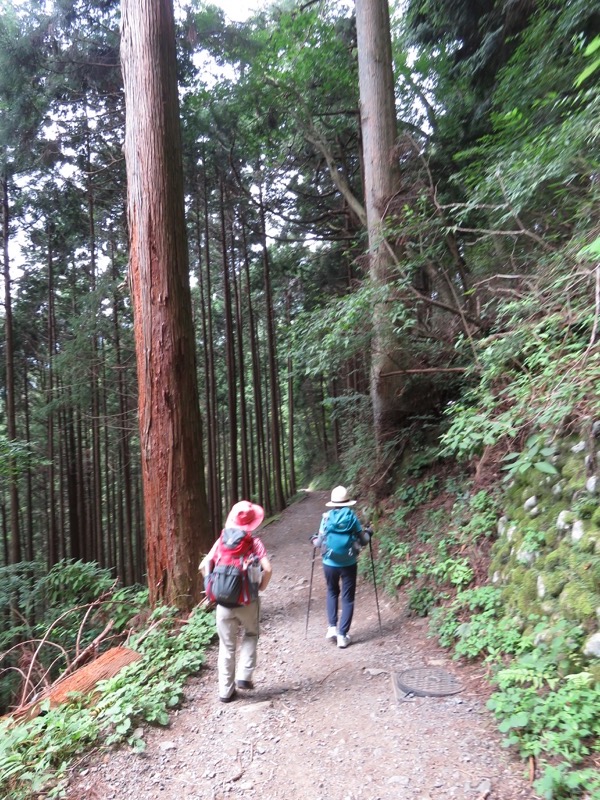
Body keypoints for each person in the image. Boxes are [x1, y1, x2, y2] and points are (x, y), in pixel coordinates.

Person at [200, 500, 272, 703]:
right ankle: (244, 676)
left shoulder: (221, 540)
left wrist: (211, 586)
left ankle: (225, 691)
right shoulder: (254, 542)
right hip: (248, 601)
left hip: (223, 602)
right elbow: (268, 569)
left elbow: (204, 565)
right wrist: (260, 587)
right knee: (251, 634)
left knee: (227, 645)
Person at [313, 486, 370, 649]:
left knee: (332, 592)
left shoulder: (326, 518)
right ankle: (342, 636)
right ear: (347, 502)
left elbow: (318, 543)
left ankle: (332, 627)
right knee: (348, 598)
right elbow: (364, 541)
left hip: (329, 562)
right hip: (349, 563)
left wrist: (313, 539)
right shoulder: (352, 518)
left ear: (333, 503)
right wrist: (369, 533)